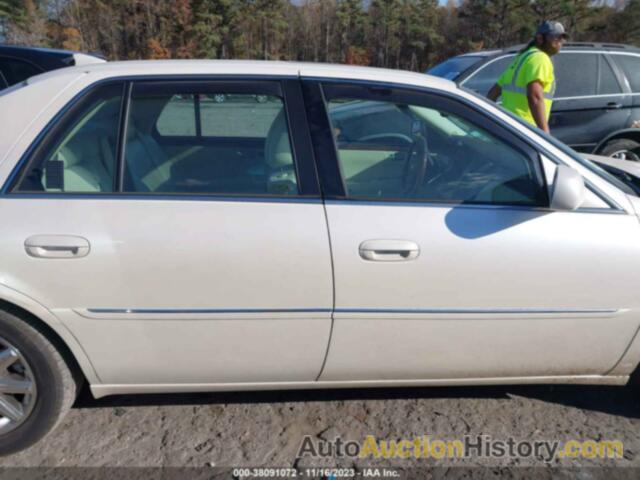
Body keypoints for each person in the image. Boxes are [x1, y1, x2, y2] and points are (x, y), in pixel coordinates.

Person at [487, 21, 568, 133]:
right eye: (555, 37)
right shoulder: (540, 58)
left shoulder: (522, 57)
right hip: (526, 130)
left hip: (507, 127)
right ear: (540, 38)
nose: (560, 41)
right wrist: (544, 133)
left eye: (562, 38)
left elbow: (492, 93)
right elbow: (534, 96)